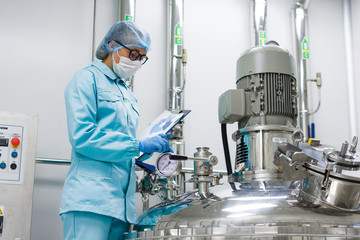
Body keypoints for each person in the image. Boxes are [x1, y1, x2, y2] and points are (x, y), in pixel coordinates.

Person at [59, 21, 171, 240]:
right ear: (112, 45)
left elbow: (122, 144)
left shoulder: (127, 94)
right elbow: (83, 137)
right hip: (89, 201)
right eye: (133, 53)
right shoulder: (86, 79)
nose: (137, 61)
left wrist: (144, 150)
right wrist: (136, 145)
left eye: (142, 57)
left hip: (120, 206)